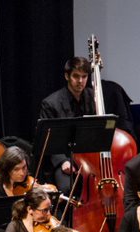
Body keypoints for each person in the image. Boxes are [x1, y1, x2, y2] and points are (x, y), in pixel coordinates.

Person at [38, 57, 96, 192]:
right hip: (64, 158)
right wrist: (62, 161)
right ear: (67, 76)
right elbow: (49, 139)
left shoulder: (94, 97)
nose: (80, 81)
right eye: (76, 76)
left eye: (84, 76)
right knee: (67, 188)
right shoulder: (51, 104)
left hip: (89, 158)